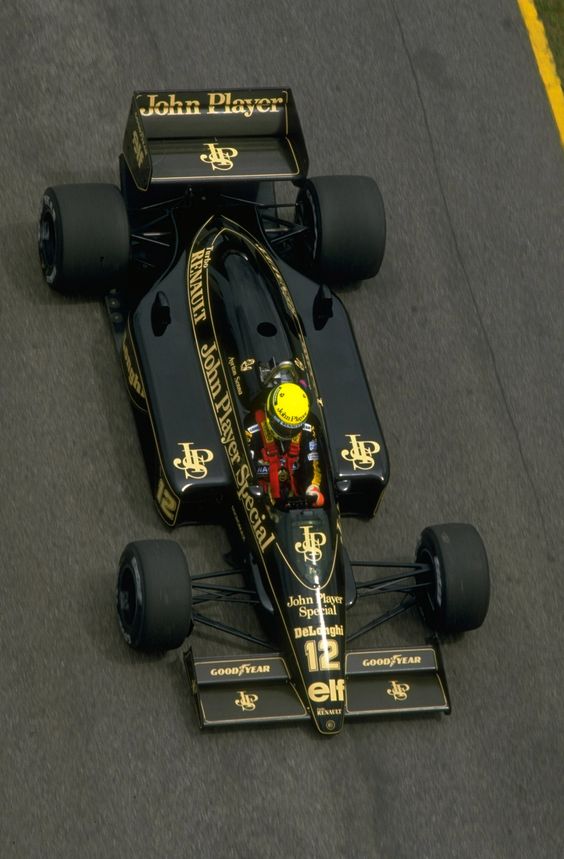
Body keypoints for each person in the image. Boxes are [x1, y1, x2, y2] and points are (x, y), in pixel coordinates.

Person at [245, 380, 325, 508]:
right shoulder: (251, 430)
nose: (289, 433)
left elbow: (312, 463)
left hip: (294, 498)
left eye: (293, 428)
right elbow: (245, 471)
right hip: (261, 499)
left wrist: (313, 489)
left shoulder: (308, 428)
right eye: (285, 428)